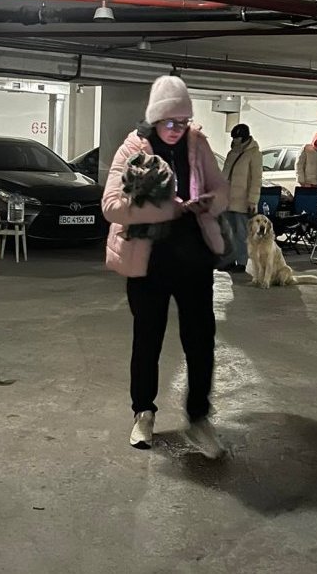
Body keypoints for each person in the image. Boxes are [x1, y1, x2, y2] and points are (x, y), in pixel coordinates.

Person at [102, 75, 230, 458]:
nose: (176, 129)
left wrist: (209, 202)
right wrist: (166, 208)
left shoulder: (197, 143)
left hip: (193, 257)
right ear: (155, 119)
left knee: (201, 340)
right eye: (169, 122)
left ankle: (199, 418)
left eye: (183, 122)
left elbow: (223, 189)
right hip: (149, 260)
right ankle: (143, 412)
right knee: (148, 339)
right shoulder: (133, 147)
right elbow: (111, 205)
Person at [220, 123, 261, 273]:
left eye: (237, 137)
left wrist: (253, 201)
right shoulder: (232, 153)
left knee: (242, 233)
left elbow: (256, 179)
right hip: (227, 200)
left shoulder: (254, 154)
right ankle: (229, 260)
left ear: (243, 137)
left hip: (243, 201)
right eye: (233, 138)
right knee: (228, 232)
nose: (234, 140)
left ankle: (242, 262)